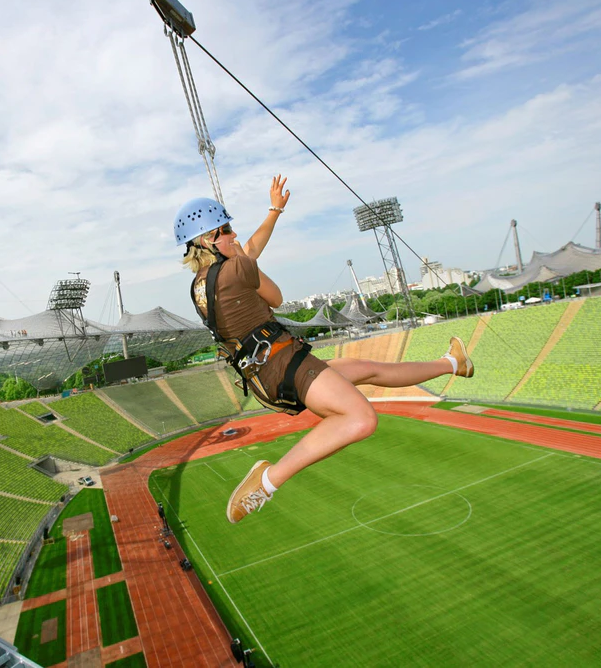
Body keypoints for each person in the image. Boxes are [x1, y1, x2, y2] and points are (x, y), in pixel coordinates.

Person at [174, 176, 474, 524]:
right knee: (361, 418)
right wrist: (247, 254)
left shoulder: (202, 284)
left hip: (269, 371)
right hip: (284, 364)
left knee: (370, 369)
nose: (235, 235)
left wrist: (274, 211)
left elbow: (249, 252)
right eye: (227, 230)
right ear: (210, 239)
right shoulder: (237, 267)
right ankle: (267, 482)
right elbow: (275, 296)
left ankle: (453, 363)